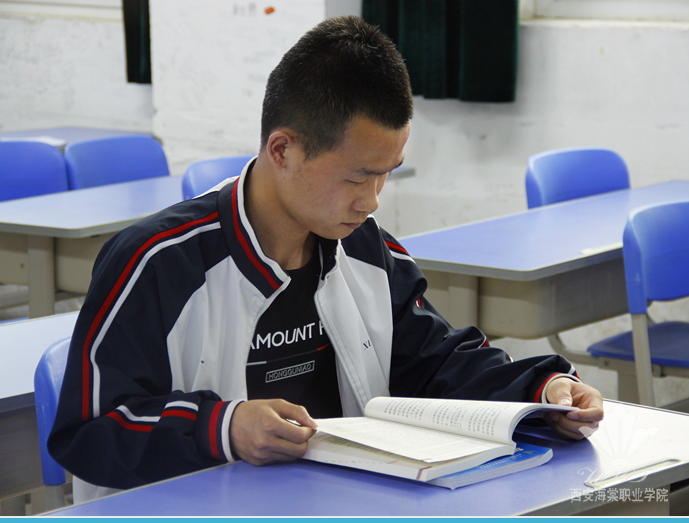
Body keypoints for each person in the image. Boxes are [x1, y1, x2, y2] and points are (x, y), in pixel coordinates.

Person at [49, 15, 603, 499]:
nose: (372, 201)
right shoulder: (156, 262)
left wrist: (542, 390)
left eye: (386, 175)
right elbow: (89, 431)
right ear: (283, 150)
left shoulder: (366, 249)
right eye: (357, 178)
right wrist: (223, 427)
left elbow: (435, 362)